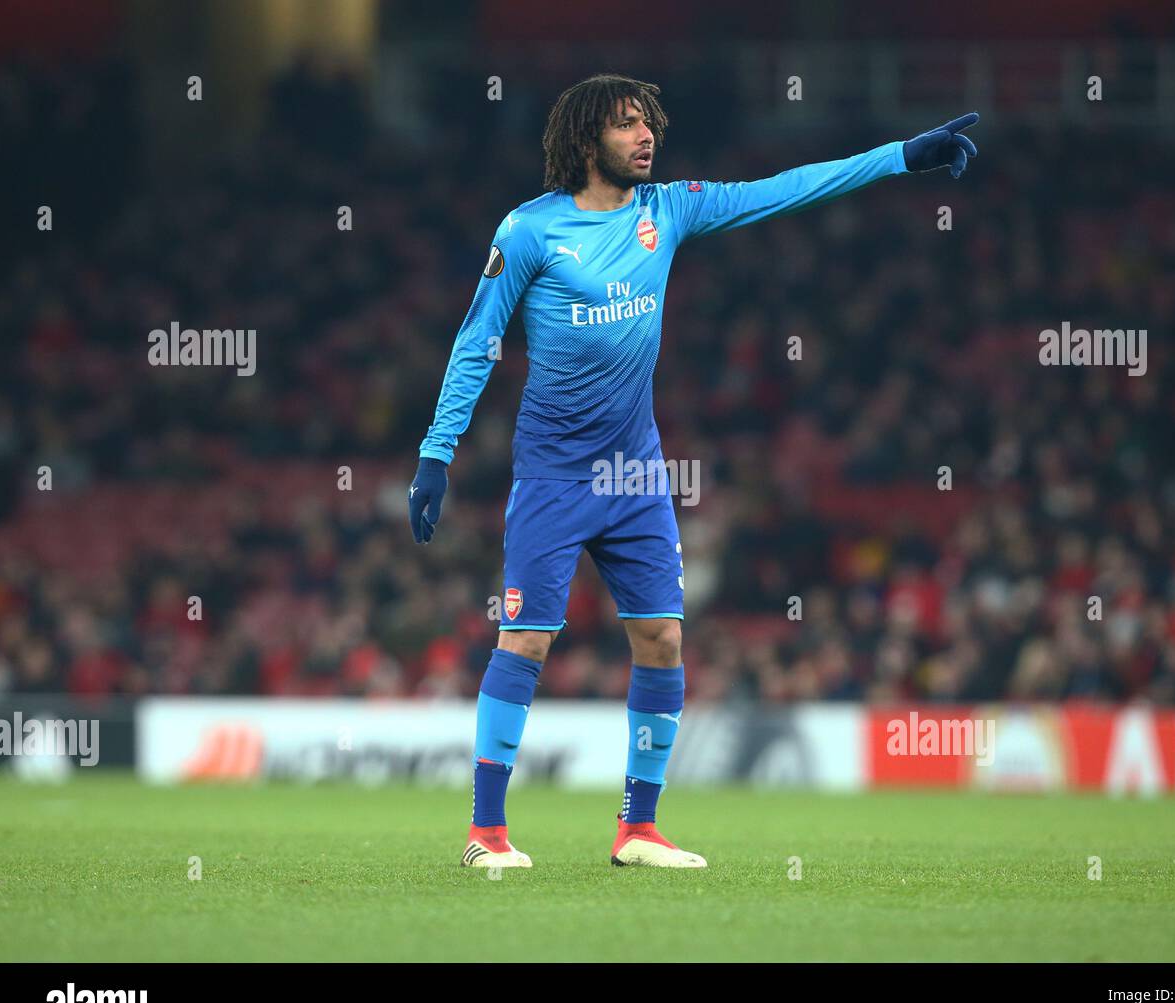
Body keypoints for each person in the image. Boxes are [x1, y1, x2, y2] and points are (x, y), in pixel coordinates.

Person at [409, 73, 979, 868]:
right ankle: (486, 831)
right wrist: (438, 453)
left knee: (664, 640)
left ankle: (637, 828)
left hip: (636, 473)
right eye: (626, 125)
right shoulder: (531, 231)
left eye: (649, 123)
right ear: (586, 142)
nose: (646, 136)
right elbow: (477, 342)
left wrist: (900, 159)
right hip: (553, 474)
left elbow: (783, 189)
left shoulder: (666, 210)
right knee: (528, 637)